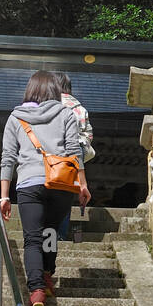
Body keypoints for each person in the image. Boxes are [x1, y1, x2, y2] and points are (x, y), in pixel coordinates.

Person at [0, 71, 90, 306]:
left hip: (29, 182)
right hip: (60, 183)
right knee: (50, 231)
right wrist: (82, 184)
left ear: (30, 90)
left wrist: (5, 196)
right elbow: (74, 151)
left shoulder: (15, 117)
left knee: (32, 239)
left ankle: (37, 289)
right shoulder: (66, 114)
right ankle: (48, 274)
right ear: (54, 91)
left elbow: (8, 158)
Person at [53, 72, 94, 241]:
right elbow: (88, 136)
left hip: (51, 158)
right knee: (65, 196)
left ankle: (45, 237)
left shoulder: (49, 105)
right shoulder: (80, 108)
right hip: (72, 161)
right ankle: (60, 236)